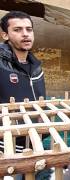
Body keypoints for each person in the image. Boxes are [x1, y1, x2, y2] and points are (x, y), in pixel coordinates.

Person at [0, 11, 49, 179]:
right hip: (6, 148)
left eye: (29, 29)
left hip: (34, 144)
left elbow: (40, 99)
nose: (25, 34)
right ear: (5, 34)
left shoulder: (36, 67)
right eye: (18, 30)